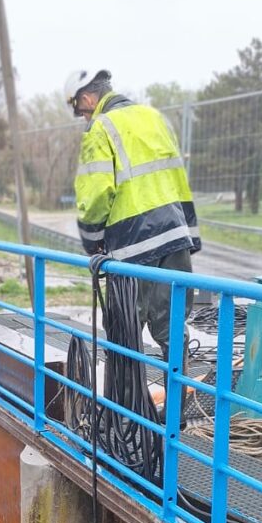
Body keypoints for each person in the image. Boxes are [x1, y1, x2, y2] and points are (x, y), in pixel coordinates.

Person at [64, 67, 199, 358]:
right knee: (172, 330)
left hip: (131, 249)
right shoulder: (155, 118)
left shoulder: (100, 128)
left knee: (124, 334)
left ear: (87, 99)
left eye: (81, 112)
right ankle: (176, 402)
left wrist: (92, 242)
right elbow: (177, 176)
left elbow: (97, 193)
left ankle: (124, 403)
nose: (84, 119)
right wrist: (191, 234)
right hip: (175, 239)